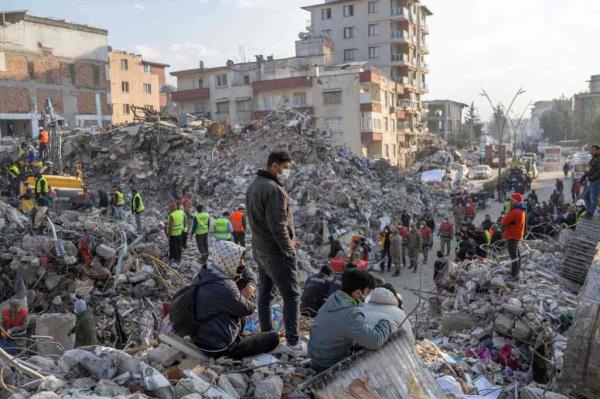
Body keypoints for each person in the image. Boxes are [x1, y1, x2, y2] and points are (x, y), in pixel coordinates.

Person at [246, 151, 304, 355]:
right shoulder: (274, 190)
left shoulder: (254, 185)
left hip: (260, 249)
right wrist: (289, 250)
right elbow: (278, 226)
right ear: (273, 166)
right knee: (292, 295)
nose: (287, 172)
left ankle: (266, 336)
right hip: (276, 252)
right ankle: (293, 341)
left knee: (265, 295)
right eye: (285, 167)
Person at [192, 241, 279, 359]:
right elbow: (249, 309)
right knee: (273, 338)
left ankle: (240, 334)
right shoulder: (226, 287)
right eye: (238, 260)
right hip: (219, 347)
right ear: (229, 261)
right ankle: (236, 343)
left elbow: (245, 272)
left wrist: (248, 281)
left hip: (200, 339)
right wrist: (249, 289)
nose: (242, 264)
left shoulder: (205, 274)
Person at [308, 269, 392, 372]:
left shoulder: (333, 299)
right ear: (358, 293)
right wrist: (386, 321)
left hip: (316, 359)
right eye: (367, 293)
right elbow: (375, 341)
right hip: (329, 366)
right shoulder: (350, 313)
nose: (367, 297)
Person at [502, 193, 527, 280]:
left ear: (515, 201)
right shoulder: (521, 210)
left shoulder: (515, 211)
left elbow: (504, 222)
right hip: (516, 235)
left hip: (512, 235)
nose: (510, 202)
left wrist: (507, 216)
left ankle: (514, 275)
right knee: (517, 255)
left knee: (514, 256)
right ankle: (516, 272)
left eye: (511, 200)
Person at [582, 145, 600, 219]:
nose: (592, 152)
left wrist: (593, 177)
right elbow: (591, 169)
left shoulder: (598, 159)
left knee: (593, 198)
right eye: (591, 150)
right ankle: (589, 211)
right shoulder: (594, 158)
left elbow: (599, 171)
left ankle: (590, 214)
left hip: (596, 180)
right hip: (592, 181)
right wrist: (584, 177)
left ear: (598, 150)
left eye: (593, 150)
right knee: (586, 196)